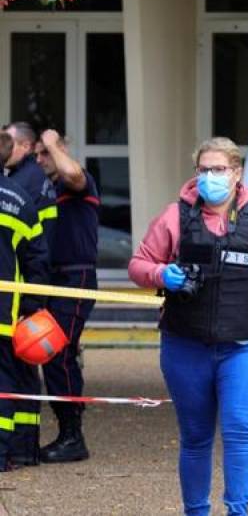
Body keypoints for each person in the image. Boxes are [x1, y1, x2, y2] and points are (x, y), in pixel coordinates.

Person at [128, 137, 248, 516]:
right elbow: (138, 264)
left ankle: (238, 510)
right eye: (203, 169)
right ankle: (196, 511)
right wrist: (159, 273)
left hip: (246, 346)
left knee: (239, 429)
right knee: (196, 437)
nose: (210, 177)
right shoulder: (174, 217)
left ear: (236, 173)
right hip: (185, 345)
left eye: (218, 169)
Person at [30, 129, 99, 463]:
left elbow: (71, 172)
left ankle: (73, 436)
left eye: (46, 153)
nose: (41, 159)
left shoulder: (78, 180)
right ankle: (67, 433)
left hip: (75, 276)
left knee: (58, 353)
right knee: (55, 354)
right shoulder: (48, 189)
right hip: (52, 279)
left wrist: (53, 141)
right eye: (38, 154)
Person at [0, 131, 49, 472]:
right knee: (3, 385)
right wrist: (32, 307)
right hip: (5, 312)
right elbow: (37, 261)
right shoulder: (18, 199)